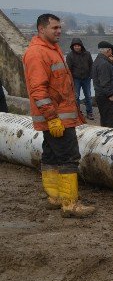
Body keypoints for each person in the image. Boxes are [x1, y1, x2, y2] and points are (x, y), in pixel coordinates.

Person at [22, 14, 96, 217]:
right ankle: (70, 203)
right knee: (68, 158)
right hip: (57, 118)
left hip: (56, 117)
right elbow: (38, 90)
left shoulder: (49, 50)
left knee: (52, 155)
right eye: (54, 28)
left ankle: (55, 197)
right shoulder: (38, 53)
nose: (59, 31)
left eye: (59, 28)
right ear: (41, 29)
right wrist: (52, 117)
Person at [66, 38, 94, 120]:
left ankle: (90, 112)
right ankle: (78, 113)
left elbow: (91, 65)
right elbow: (68, 69)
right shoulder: (69, 56)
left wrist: (91, 75)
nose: (77, 47)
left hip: (86, 78)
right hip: (76, 79)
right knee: (76, 96)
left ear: (81, 46)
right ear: (72, 47)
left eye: (78, 46)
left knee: (88, 96)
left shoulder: (87, 54)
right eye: (75, 46)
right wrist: (70, 79)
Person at [91, 41, 113, 127]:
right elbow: (105, 82)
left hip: (100, 95)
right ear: (108, 50)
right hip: (106, 97)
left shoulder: (98, 60)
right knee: (110, 121)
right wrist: (111, 95)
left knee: (105, 118)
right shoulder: (104, 63)